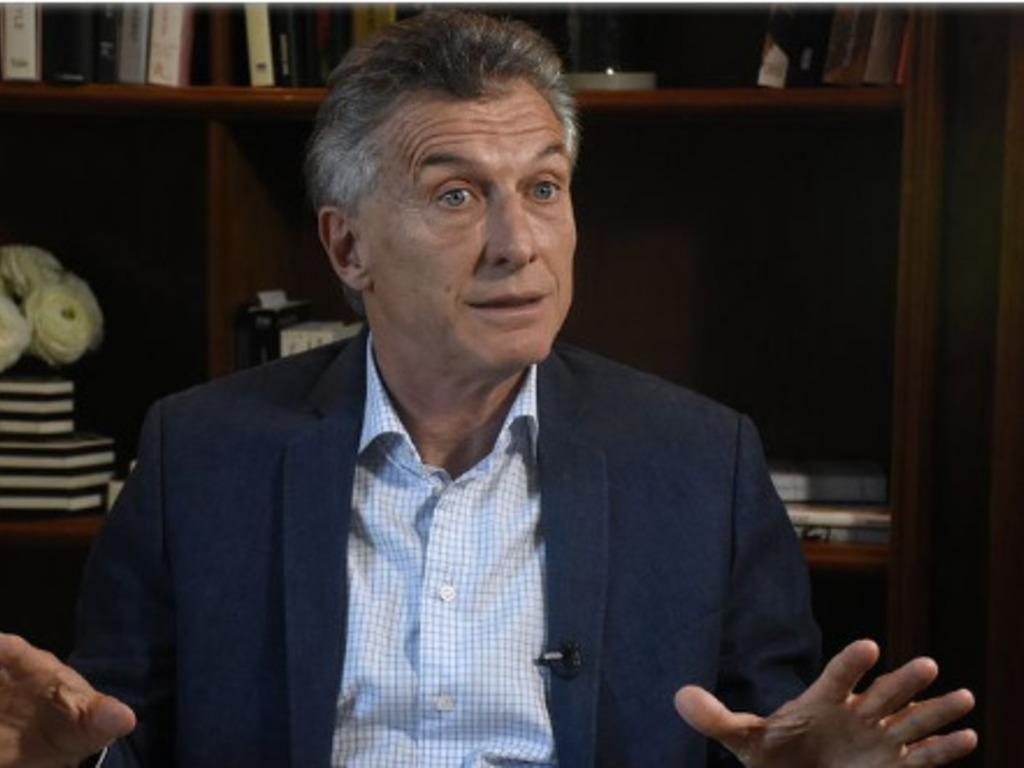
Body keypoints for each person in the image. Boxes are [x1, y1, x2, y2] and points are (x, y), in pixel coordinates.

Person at [0, 11, 977, 768]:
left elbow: (772, 737)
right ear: (348, 247)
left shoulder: (700, 463)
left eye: (543, 188)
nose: (518, 244)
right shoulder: (200, 454)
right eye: (457, 194)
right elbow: (113, 732)